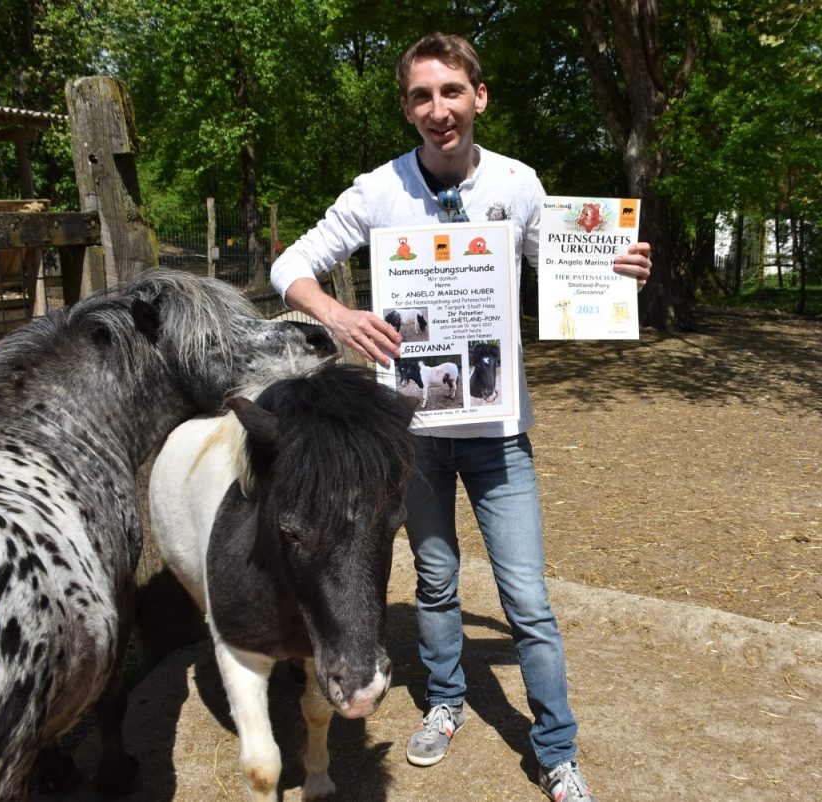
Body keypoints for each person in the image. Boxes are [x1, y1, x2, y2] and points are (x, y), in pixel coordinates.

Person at [270, 32, 651, 802]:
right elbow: (290, 268)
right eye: (421, 96)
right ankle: (445, 704)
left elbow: (562, 263)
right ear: (408, 108)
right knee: (436, 584)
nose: (437, 109)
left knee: (529, 605)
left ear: (478, 97)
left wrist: (616, 271)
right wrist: (338, 316)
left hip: (500, 438)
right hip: (411, 442)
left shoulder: (517, 182)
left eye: (451, 92)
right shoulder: (378, 191)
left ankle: (558, 749)